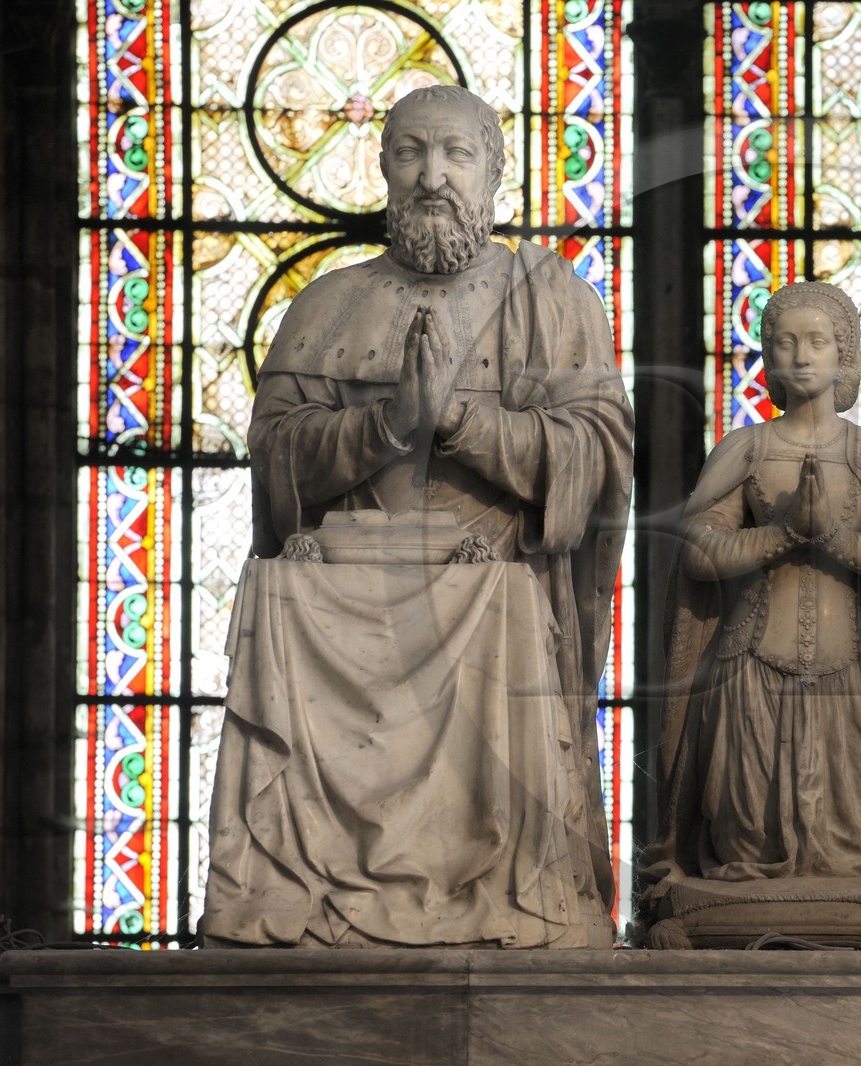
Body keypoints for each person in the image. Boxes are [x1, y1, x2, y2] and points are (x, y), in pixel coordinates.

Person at [204, 85, 633, 948]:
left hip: (491, 601)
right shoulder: (327, 305)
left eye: (456, 154)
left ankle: (505, 895)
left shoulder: (554, 301)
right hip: (341, 612)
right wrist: (388, 424)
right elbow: (276, 456)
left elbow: (597, 459)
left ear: (495, 173)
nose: (433, 176)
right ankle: (300, 893)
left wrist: (462, 421)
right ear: (383, 167)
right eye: (411, 153)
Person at [639, 282, 861, 947]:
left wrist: (837, 540)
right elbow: (697, 550)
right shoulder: (746, 450)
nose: (802, 356)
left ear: (845, 356)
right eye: (785, 343)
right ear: (768, 358)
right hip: (751, 666)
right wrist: (781, 535)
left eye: (817, 342)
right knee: (746, 824)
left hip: (856, 670)